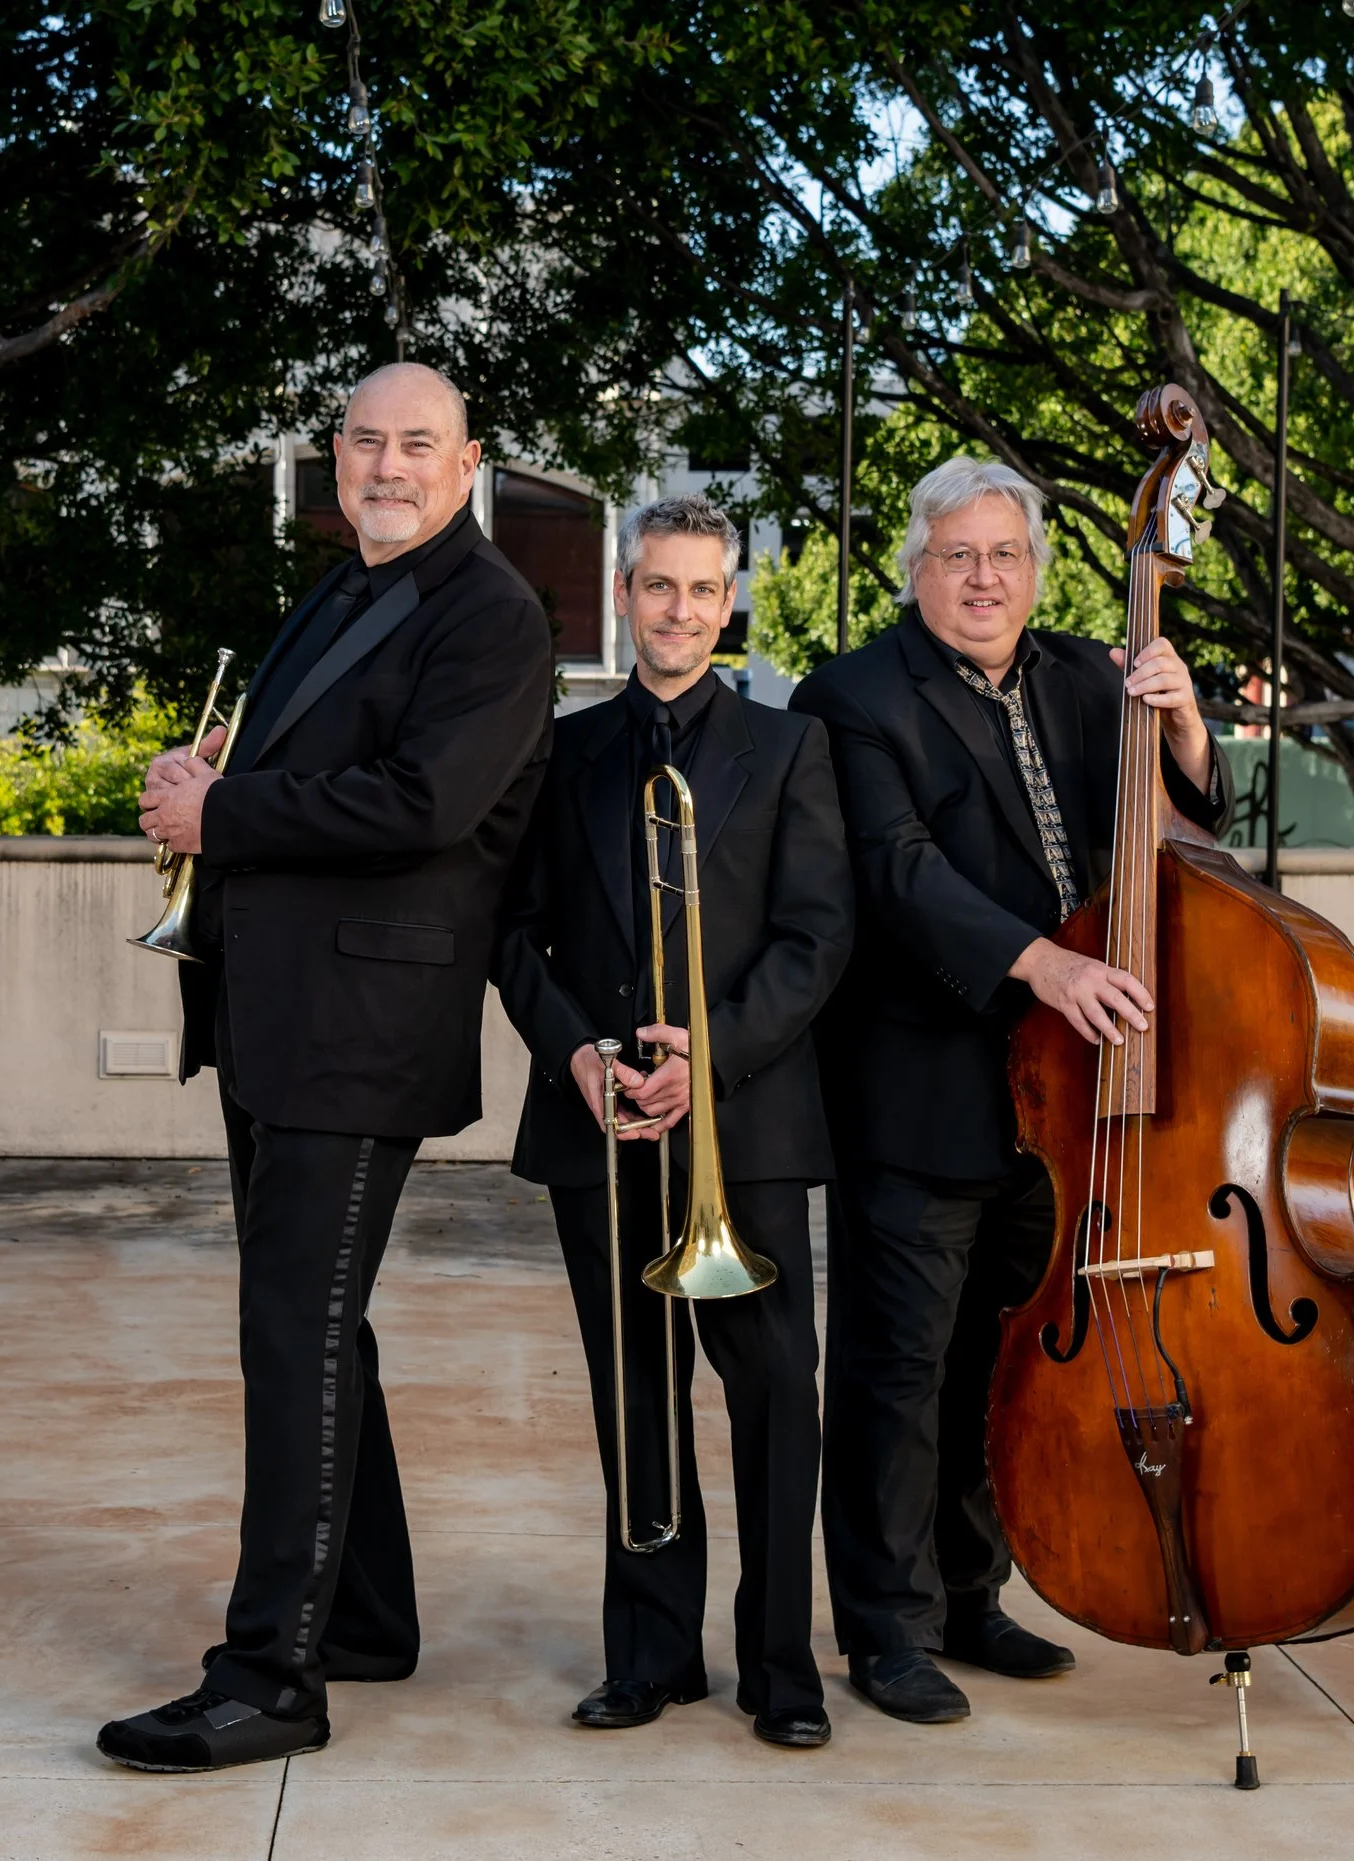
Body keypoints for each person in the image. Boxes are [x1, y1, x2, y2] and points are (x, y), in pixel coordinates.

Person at [99, 362, 555, 1772]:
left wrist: (224, 805)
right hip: (281, 1015)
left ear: (469, 462)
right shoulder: (340, 590)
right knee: (317, 1323)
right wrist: (221, 776)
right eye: (366, 440)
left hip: (362, 1028)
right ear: (337, 456)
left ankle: (271, 1674)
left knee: (293, 1329)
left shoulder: (493, 614)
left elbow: (424, 804)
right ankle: (363, 1614)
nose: (389, 464)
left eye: (419, 443)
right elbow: (327, 767)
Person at [790, 456, 1231, 1725]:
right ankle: (885, 1627)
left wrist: (1188, 728)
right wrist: (1044, 965)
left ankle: (975, 1596)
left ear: (1035, 568)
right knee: (897, 1367)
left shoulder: (1097, 677)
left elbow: (1185, 834)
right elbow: (895, 867)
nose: (984, 579)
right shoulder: (855, 694)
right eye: (957, 556)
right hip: (923, 1081)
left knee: (1004, 1362)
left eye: (1006, 556)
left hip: (1073, 1100)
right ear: (914, 569)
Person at [494, 495, 852, 1751]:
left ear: (730, 600)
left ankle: (778, 1663)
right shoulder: (564, 749)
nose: (681, 612)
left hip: (740, 1126)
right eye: (659, 587)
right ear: (622, 589)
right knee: (633, 1396)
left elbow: (820, 937)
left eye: (704, 592)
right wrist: (582, 1056)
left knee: (773, 1396)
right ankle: (647, 1655)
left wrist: (718, 1058)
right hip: (603, 1124)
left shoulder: (787, 745)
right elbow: (513, 930)